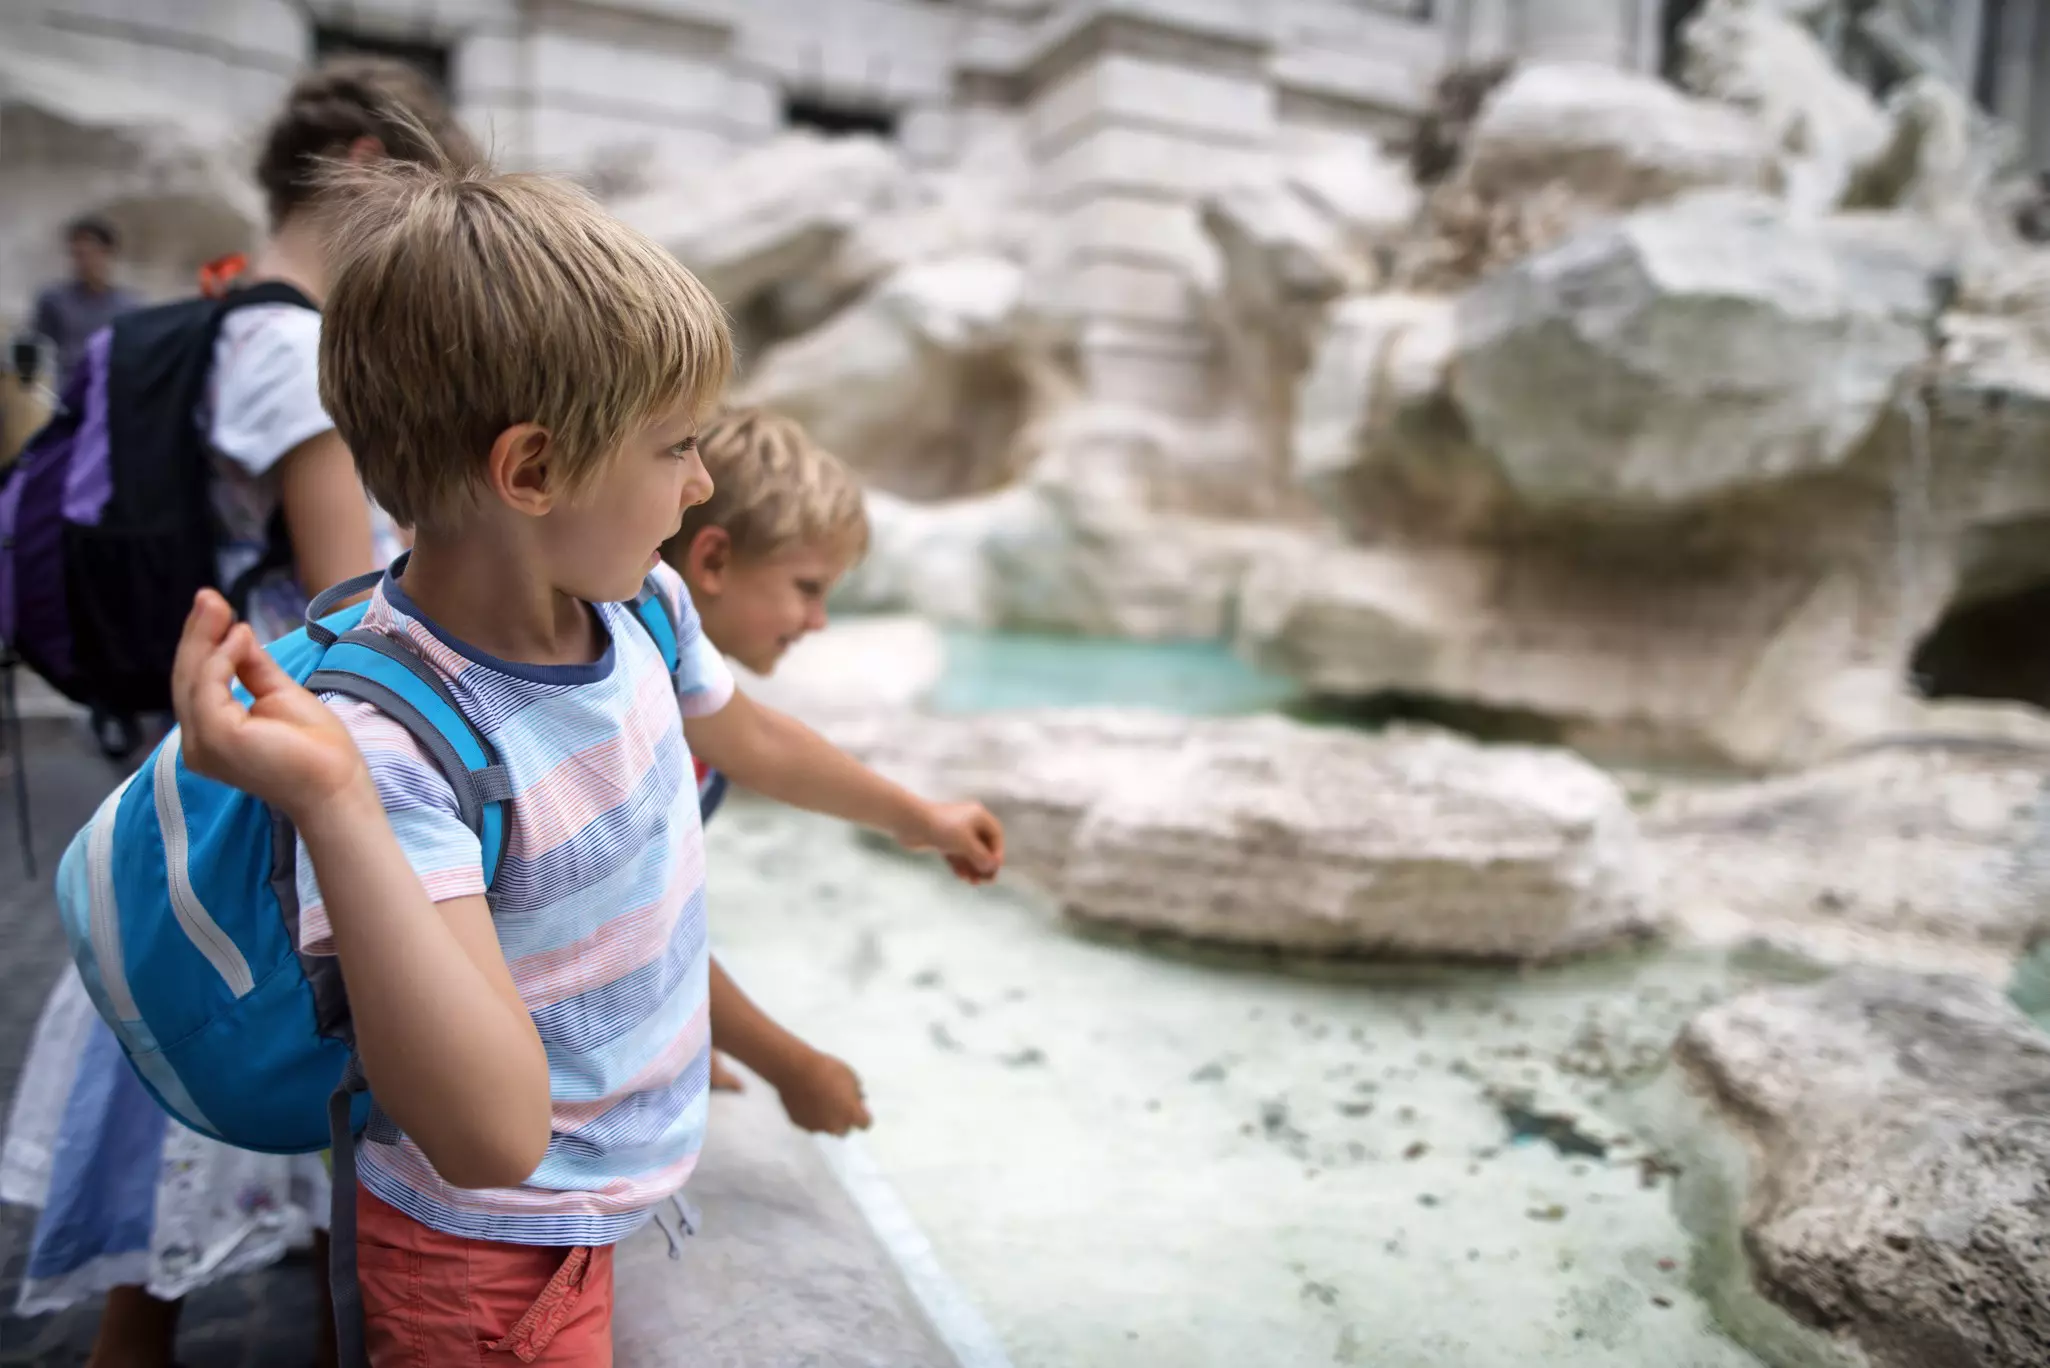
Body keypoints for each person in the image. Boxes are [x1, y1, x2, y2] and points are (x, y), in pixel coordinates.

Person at [168, 153, 1002, 1364]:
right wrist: (334, 808)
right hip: (489, 1264)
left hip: (603, 1188)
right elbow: (491, 1138)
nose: (702, 481)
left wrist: (910, 814)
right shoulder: (390, 748)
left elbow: (744, 733)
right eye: (676, 448)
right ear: (537, 472)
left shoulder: (640, 607)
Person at [0, 56, 475, 1368]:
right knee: (325, 1149)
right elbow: (344, 593)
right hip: (288, 756)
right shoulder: (291, 343)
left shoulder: (226, 321)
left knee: (176, 1189)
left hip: (223, 750)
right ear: (373, 172)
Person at [662, 407, 879, 1125]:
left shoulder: (670, 679)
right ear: (714, 561)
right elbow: (642, 930)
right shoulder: (645, 714)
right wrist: (793, 1067)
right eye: (808, 588)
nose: (817, 621)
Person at [31, 217, 141, 388]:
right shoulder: (53, 300)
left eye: (88, 254)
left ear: (107, 253)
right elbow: (38, 350)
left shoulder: (129, 307)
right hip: (62, 389)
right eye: (77, 255)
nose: (83, 263)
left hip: (107, 390)